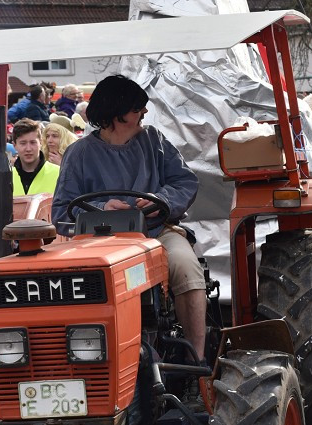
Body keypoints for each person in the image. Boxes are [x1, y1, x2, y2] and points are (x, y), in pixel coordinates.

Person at [51, 74, 206, 360]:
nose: (144, 113)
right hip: (99, 246)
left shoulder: (154, 140)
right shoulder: (78, 154)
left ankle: (198, 362)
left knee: (187, 268)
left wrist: (164, 201)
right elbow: (61, 212)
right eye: (137, 109)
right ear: (116, 115)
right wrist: (101, 207)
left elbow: (185, 181)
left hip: (157, 234)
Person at [10, 119, 60, 195]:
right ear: (14, 145)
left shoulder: (59, 174)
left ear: (41, 143)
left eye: (33, 142)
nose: (28, 149)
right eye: (23, 143)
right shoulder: (6, 178)